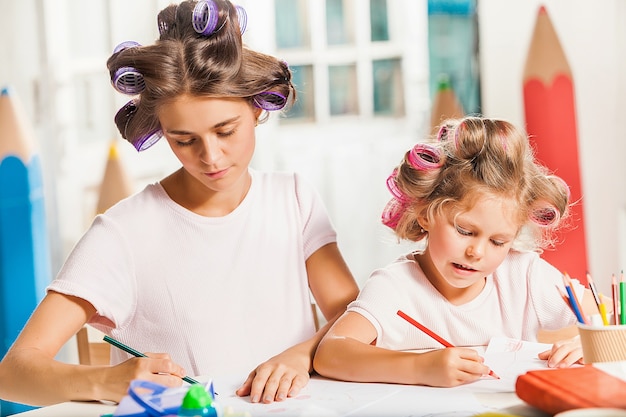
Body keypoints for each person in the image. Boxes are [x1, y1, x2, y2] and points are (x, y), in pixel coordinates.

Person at [0, 0, 358, 407]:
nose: (211, 157)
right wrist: (106, 381)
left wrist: (301, 355)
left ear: (257, 108)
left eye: (226, 131)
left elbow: (356, 318)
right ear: (162, 131)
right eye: (184, 140)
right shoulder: (124, 233)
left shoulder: (292, 199)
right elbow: (11, 374)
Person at [313, 116, 597, 388]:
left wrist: (592, 342)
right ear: (425, 214)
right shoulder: (395, 287)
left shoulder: (523, 276)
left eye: (498, 242)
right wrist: (420, 367)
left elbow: (615, 314)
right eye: (464, 231)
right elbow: (331, 354)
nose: (476, 252)